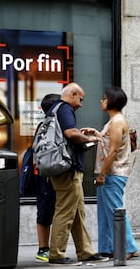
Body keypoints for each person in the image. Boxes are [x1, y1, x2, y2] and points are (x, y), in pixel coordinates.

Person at [48, 82, 109, 266]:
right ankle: (56, 254)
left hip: (66, 169)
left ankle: (85, 251)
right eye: (80, 99)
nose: (81, 104)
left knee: (77, 212)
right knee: (66, 212)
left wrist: (80, 135)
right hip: (68, 170)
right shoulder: (64, 108)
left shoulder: (54, 109)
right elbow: (70, 133)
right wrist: (89, 138)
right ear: (72, 94)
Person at [81, 86, 139, 259]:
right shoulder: (113, 121)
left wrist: (102, 175)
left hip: (113, 173)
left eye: (104, 98)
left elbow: (113, 151)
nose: (101, 100)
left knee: (114, 211)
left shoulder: (117, 122)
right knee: (105, 212)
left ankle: (127, 247)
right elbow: (111, 145)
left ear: (112, 101)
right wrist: (98, 135)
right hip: (110, 172)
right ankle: (107, 247)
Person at [34, 94, 59, 262]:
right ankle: (43, 249)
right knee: (45, 212)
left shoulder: (50, 125)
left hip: (50, 175)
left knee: (51, 211)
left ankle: (52, 248)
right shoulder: (45, 127)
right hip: (46, 176)